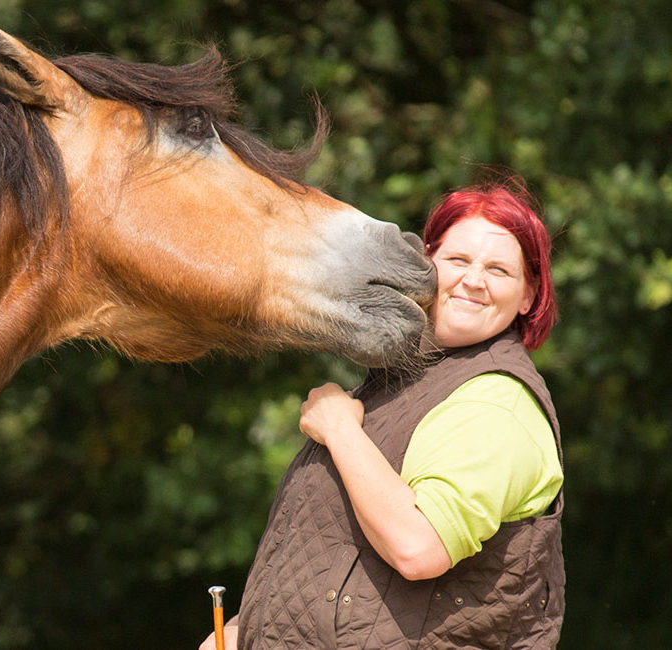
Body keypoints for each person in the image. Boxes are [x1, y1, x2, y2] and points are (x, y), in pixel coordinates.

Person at [201, 179, 564, 649]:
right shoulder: (403, 381)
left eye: (498, 270)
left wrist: (339, 430)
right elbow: (330, 560)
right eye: (457, 260)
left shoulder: (496, 403)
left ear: (529, 296)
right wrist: (239, 633)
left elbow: (418, 547)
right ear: (424, 266)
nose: (473, 280)